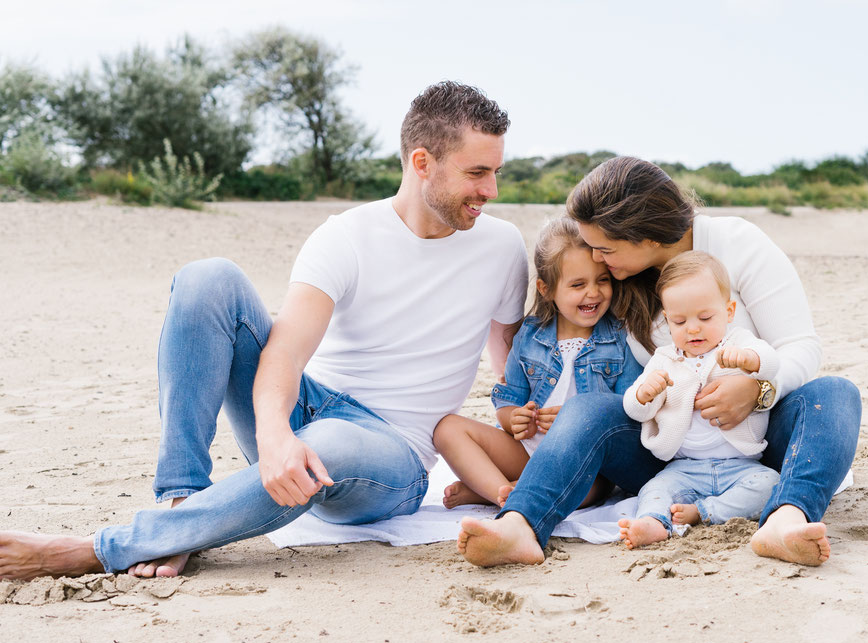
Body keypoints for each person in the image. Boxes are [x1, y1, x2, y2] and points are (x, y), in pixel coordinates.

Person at [0, 81, 528, 581]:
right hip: (306, 408)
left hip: (392, 457)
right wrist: (275, 437)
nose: (492, 189)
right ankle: (184, 503)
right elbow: (285, 351)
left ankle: (98, 549)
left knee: (330, 441)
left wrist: (551, 445)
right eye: (478, 172)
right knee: (209, 278)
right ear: (422, 163)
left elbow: (511, 364)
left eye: (495, 172)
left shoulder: (501, 247)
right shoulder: (346, 236)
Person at [458, 156, 862, 568]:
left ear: (644, 235)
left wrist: (757, 391)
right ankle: (520, 526)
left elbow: (801, 346)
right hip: (671, 456)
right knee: (588, 408)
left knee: (835, 393)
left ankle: (786, 520)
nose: (597, 259)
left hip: (756, 444)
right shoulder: (622, 283)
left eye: (605, 248)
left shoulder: (738, 245)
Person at [434, 217, 641, 509]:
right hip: (527, 451)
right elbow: (508, 401)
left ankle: (495, 492)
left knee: (591, 488)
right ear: (546, 289)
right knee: (447, 429)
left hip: (584, 461)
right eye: (578, 284)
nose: (593, 292)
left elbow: (629, 409)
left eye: (602, 280)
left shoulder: (619, 340)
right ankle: (500, 491)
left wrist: (577, 424)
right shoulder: (529, 337)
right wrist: (515, 418)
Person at [617, 251, 781, 549]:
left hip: (740, 465)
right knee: (654, 488)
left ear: (729, 312)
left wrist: (750, 359)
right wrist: (644, 393)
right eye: (679, 321)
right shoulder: (664, 359)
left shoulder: (738, 343)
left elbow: (772, 362)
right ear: (667, 320)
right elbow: (634, 409)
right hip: (684, 468)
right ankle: (653, 522)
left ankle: (705, 513)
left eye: (705, 318)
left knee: (769, 484)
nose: (693, 328)